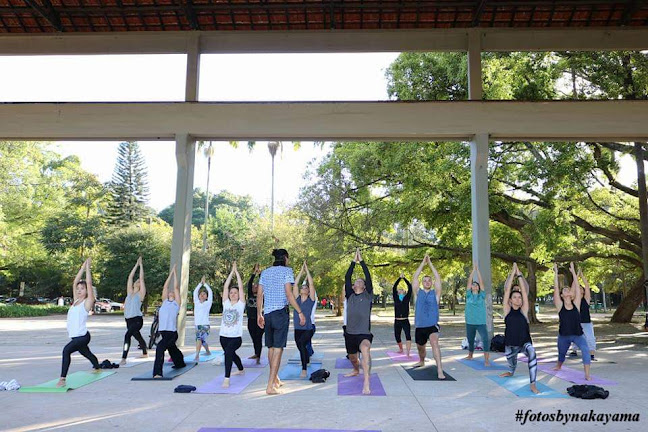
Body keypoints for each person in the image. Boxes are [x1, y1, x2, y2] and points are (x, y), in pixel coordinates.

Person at [257, 248, 305, 395]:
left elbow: (259, 295)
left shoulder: (265, 272)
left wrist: (260, 313)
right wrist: (300, 312)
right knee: (278, 349)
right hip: (280, 314)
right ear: (285, 258)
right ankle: (270, 386)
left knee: (270, 348)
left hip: (268, 314)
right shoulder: (287, 271)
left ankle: (275, 379)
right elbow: (289, 294)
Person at [57, 258, 101, 387]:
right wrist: (82, 267)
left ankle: (62, 379)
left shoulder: (87, 302)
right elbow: (75, 281)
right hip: (76, 336)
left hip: (82, 336)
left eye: (82, 288)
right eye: (78, 289)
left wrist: (88, 268)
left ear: (87, 290)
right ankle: (97, 365)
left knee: (66, 351)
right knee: (86, 353)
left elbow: (88, 282)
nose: (79, 290)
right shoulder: (76, 301)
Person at [499, 263, 538, 394]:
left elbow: (524, 292)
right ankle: (511, 371)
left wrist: (519, 274)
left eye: (519, 297)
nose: (518, 299)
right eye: (514, 297)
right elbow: (507, 290)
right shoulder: (507, 311)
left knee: (532, 352)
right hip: (510, 344)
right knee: (512, 365)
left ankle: (533, 384)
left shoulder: (524, 310)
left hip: (524, 343)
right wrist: (512, 273)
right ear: (510, 300)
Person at [553, 263, 591, 380]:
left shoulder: (577, 304)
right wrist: (555, 272)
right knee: (561, 354)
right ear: (562, 295)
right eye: (564, 290)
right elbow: (555, 288)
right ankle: (559, 365)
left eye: (568, 289)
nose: (567, 290)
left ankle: (587, 375)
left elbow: (578, 290)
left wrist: (574, 272)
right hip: (564, 335)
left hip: (578, 335)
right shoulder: (560, 306)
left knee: (585, 350)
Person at [344, 248, 374, 395]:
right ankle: (356, 370)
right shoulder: (349, 295)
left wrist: (360, 261)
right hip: (350, 333)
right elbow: (347, 276)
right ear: (354, 286)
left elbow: (368, 276)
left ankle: (366, 383)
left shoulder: (368, 295)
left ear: (364, 286)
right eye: (356, 281)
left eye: (361, 281)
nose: (358, 281)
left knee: (365, 351)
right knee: (353, 358)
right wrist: (352, 262)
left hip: (364, 333)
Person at [412, 254, 445, 379]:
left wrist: (430, 264)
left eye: (429, 280)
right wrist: (422, 263)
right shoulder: (417, 294)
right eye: (424, 281)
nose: (427, 282)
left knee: (434, 342)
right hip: (420, 326)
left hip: (432, 326)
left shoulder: (435, 294)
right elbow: (414, 278)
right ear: (422, 283)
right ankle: (422, 360)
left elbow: (438, 278)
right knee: (421, 348)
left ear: (431, 283)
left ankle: (440, 370)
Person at [153, 265, 186, 378]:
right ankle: (180, 362)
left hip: (171, 333)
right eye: (169, 292)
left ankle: (157, 373)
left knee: (160, 348)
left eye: (173, 292)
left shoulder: (176, 304)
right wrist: (170, 274)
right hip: (164, 332)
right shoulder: (164, 302)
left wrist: (175, 274)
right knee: (172, 349)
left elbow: (176, 288)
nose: (171, 292)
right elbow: (165, 287)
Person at [220, 261, 246, 388]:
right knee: (231, 354)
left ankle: (227, 378)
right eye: (231, 293)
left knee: (228, 353)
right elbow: (225, 287)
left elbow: (241, 288)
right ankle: (241, 368)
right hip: (223, 336)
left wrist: (237, 273)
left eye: (235, 292)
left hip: (236, 337)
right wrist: (231, 273)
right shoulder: (225, 303)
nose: (233, 294)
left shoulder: (241, 305)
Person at [120, 256, 148, 366]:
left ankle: (123, 357)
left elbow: (141, 278)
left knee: (127, 336)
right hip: (128, 320)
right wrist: (136, 264)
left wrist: (141, 265)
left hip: (137, 320)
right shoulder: (129, 293)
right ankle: (145, 352)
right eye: (136, 282)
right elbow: (130, 277)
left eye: (139, 282)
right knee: (138, 337)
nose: (137, 282)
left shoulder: (140, 295)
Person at [293, 261, 317, 377]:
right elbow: (295, 284)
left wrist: (307, 271)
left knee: (302, 345)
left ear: (308, 291)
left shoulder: (311, 300)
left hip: (308, 328)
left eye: (305, 287)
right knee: (300, 347)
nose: (303, 288)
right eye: (302, 287)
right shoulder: (296, 299)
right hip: (297, 329)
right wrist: (301, 271)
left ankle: (304, 369)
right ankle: (306, 360)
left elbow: (311, 285)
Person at [463, 262, 491, 366]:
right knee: (470, 340)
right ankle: (470, 355)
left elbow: (482, 282)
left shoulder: (481, 296)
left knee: (485, 339)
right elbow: (469, 282)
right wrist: (472, 271)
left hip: (480, 322)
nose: (474, 285)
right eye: (473, 285)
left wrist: (477, 270)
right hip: (470, 321)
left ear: (478, 288)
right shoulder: (468, 295)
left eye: (476, 285)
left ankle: (486, 360)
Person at [569, 268, 597, 361]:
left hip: (586, 322)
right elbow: (573, 288)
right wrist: (575, 276)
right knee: (575, 337)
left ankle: (591, 354)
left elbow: (587, 286)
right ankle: (574, 350)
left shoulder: (586, 299)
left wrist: (582, 275)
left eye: (581, 288)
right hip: (576, 322)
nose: (580, 289)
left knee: (590, 338)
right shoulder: (573, 299)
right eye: (579, 287)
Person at [246, 263, 264, 364]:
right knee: (254, 338)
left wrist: (260, 274)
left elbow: (263, 283)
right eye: (254, 286)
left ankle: (259, 356)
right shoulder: (250, 295)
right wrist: (254, 273)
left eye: (257, 286)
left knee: (259, 338)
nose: (255, 286)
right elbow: (249, 283)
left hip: (260, 320)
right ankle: (256, 353)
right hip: (251, 319)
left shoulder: (262, 296)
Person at [193, 275, 213, 362]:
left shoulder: (208, 303)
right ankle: (208, 351)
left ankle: (197, 355)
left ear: (206, 297)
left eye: (204, 294)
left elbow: (210, 292)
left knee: (199, 339)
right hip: (197, 325)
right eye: (201, 294)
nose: (202, 295)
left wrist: (205, 284)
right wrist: (200, 284)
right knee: (202, 340)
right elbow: (195, 292)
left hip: (205, 325)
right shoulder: (196, 302)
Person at [392, 272, 412, 356]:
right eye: (399, 289)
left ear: (404, 291)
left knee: (408, 335)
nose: (400, 290)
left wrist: (404, 279)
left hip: (405, 320)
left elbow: (410, 287)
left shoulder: (406, 298)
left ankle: (408, 352)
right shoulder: (396, 298)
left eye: (402, 289)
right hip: (397, 321)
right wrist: (399, 278)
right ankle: (401, 349)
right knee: (397, 336)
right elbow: (394, 287)